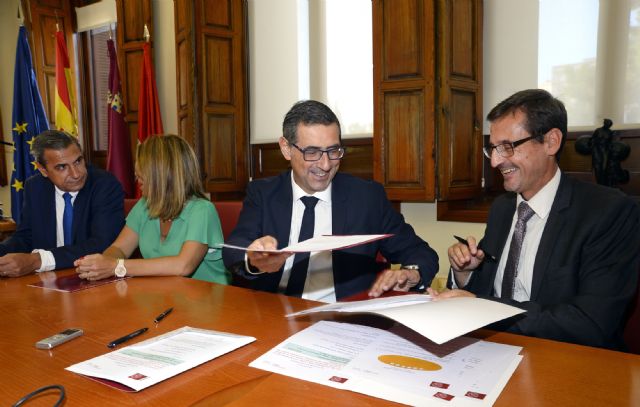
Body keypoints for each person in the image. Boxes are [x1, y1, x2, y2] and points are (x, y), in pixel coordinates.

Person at [432, 89, 640, 350]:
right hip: (492, 351)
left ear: (551, 142)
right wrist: (465, 273)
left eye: (507, 147)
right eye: (493, 149)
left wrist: (481, 309)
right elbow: (486, 290)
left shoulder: (607, 211)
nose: (496, 161)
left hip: (568, 362)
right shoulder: (503, 208)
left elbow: (591, 323)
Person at [223, 100, 438, 302]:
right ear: (286, 148)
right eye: (312, 152)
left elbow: (420, 253)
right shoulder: (263, 193)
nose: (326, 165)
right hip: (275, 313)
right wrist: (253, 257)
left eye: (334, 151)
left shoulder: (367, 198)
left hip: (342, 321)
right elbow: (233, 249)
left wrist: (413, 274)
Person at [75, 134, 229, 284]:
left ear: (163, 175)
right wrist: (101, 264)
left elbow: (183, 266)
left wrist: (116, 266)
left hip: (205, 303)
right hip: (160, 295)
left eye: (142, 174)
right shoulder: (145, 205)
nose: (136, 178)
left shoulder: (202, 210)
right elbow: (119, 248)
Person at [0, 130, 124, 277]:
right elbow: (25, 237)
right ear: (43, 170)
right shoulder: (35, 187)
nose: (76, 174)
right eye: (62, 167)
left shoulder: (104, 185)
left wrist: (38, 260)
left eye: (78, 161)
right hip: (47, 280)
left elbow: (102, 244)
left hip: (93, 279)